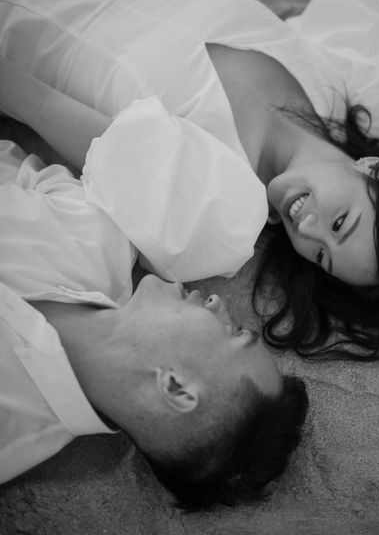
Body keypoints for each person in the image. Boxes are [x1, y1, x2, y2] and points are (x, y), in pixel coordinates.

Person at [1, 0, 379, 361]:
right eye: (340, 223)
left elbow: (39, 105)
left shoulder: (221, 213)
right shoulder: (341, 85)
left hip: (16, 21)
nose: (309, 231)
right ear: (377, 168)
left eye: (321, 256)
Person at [0, 139, 308, 510]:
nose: (217, 303)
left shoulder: (8, 432)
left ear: (175, 386)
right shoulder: (98, 231)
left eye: (233, 332)